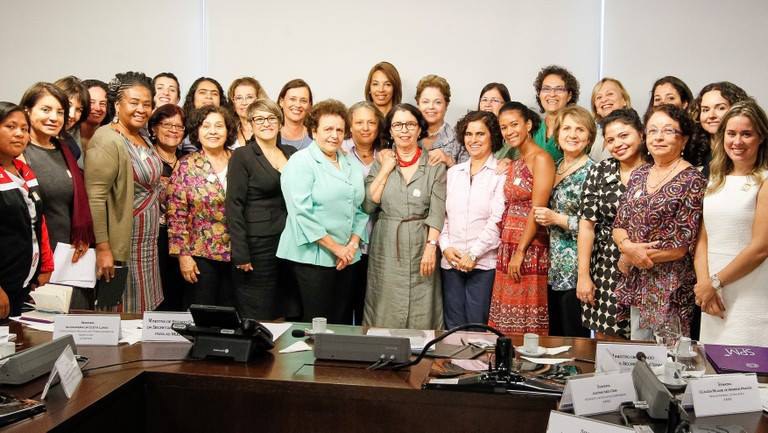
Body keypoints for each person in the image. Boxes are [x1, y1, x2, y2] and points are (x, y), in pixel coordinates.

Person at [613, 104, 706, 339]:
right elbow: (619, 224)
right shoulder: (639, 174)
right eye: (653, 130)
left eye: (668, 131)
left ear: (684, 139)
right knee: (639, 356)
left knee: (669, 359)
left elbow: (682, 245)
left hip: (670, 285)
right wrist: (626, 247)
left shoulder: (693, 179)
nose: (659, 137)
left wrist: (633, 256)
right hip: (637, 280)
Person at [277, 99, 368, 324]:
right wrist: (336, 248)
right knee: (317, 324)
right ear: (314, 131)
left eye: (339, 130)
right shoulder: (301, 162)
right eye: (328, 129)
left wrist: (352, 245)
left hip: (348, 256)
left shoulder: (350, 164)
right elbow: (301, 213)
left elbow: (359, 208)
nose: (334, 135)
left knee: (343, 322)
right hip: (312, 257)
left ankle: (338, 361)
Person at [85, 71, 164, 313]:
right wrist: (104, 248)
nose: (141, 109)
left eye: (147, 104)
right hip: (123, 245)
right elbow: (96, 198)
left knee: (145, 310)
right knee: (122, 314)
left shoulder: (141, 135)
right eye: (134, 102)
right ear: (117, 105)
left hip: (147, 244)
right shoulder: (107, 139)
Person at [363, 103, 446, 329]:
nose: (404, 130)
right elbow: (369, 205)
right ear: (390, 130)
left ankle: (423, 358)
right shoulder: (381, 162)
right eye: (398, 125)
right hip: (386, 241)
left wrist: (431, 246)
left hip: (422, 241)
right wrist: (385, 169)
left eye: (410, 124)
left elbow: (438, 210)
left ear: (420, 129)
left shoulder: (434, 165)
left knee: (423, 301)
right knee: (384, 302)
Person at [694, 100, 768, 346]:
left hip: (752, 292)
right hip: (713, 295)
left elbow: (761, 248)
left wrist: (714, 282)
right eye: (731, 133)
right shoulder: (716, 179)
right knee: (713, 373)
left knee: (749, 372)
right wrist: (705, 284)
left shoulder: (765, 181)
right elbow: (703, 239)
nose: (737, 141)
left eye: (746, 134)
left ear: (761, 138)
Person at [20, 82, 95, 309]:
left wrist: (82, 236)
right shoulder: (18, 152)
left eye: (60, 112)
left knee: (75, 326)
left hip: (69, 257)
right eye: (46, 110)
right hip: (33, 258)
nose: (54, 117)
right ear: (27, 111)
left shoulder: (65, 150)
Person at [577, 108, 646, 339]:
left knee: (645, 342)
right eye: (610, 139)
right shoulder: (599, 171)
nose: (617, 143)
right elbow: (586, 226)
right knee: (607, 339)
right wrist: (584, 275)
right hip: (605, 266)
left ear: (641, 134)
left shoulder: (657, 170)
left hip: (646, 265)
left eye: (624, 135)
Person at [488, 102, 555, 335]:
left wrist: (520, 251)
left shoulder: (542, 159)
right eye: (504, 127)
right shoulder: (514, 162)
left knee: (526, 320)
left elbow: (538, 208)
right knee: (506, 320)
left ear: (528, 125)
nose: (509, 131)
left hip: (529, 248)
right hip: (507, 245)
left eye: (514, 124)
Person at [227, 99, 297, 320]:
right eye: (259, 119)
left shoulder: (291, 153)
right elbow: (234, 205)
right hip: (257, 245)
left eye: (271, 118)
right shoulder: (242, 156)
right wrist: (241, 253)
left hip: (288, 240)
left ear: (279, 121)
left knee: (286, 305)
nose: (266, 123)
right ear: (251, 124)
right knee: (259, 307)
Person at [439, 111, 505, 328]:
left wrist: (474, 253)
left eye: (480, 134)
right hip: (452, 262)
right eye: (468, 134)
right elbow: (443, 215)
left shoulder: (501, 173)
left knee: (478, 327)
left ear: (492, 136)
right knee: (453, 327)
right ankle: (453, 364)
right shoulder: (453, 173)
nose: (473, 140)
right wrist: (446, 247)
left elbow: (497, 220)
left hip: (483, 264)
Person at [533, 106, 594, 337]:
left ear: (589, 137)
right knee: (554, 338)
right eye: (567, 128)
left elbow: (599, 225)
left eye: (580, 129)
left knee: (575, 338)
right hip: (553, 267)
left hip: (578, 269)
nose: (572, 134)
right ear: (558, 134)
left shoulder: (593, 171)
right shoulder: (555, 166)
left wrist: (556, 218)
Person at [167, 105, 235, 309]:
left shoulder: (240, 160)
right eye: (206, 126)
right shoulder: (186, 165)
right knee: (204, 315)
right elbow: (176, 214)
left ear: (228, 130)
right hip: (200, 255)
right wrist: (183, 256)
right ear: (197, 131)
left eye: (219, 126)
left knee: (234, 317)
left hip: (239, 254)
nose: (213, 131)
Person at [0, 102, 54, 317]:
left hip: (23, 282)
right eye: (11, 127)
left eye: (24, 129)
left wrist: (45, 265)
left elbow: (37, 221)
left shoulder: (24, 170)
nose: (19, 134)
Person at [341, 101, 385, 324]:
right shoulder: (340, 152)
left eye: (371, 122)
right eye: (359, 122)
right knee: (348, 300)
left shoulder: (387, 153)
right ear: (350, 126)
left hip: (380, 240)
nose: (365, 127)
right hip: (349, 242)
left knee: (373, 303)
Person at [148, 104, 186, 311]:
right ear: (154, 128)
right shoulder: (146, 160)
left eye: (179, 127)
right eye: (167, 124)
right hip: (154, 237)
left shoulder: (187, 161)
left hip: (182, 240)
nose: (173, 130)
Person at [688, 82, 749, 174]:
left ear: (737, 110)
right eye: (705, 110)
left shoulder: (743, 149)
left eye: (721, 108)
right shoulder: (693, 150)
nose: (711, 115)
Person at [533, 65, 580, 162]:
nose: (552, 94)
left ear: (569, 96)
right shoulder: (534, 128)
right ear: (539, 94)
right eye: (546, 89)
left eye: (559, 89)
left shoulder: (578, 127)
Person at [416, 75, 461, 166]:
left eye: (437, 102)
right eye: (425, 102)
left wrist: (448, 160)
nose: (431, 107)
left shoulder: (458, 139)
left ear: (446, 105)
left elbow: (468, 176)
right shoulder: (407, 135)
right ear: (418, 104)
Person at [589, 78, 632, 161]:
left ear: (624, 100)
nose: (604, 100)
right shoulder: (592, 134)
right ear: (596, 109)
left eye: (610, 94)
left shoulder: (635, 131)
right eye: (599, 97)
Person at [181, 77, 228, 153]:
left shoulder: (229, 126)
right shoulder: (180, 124)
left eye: (214, 93)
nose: (209, 97)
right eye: (202, 92)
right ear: (193, 97)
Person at [53, 76, 90, 161]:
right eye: (68, 105)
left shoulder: (72, 146)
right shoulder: (26, 141)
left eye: (79, 109)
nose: (72, 115)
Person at [227, 77, 268, 149]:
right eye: (239, 98)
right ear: (233, 102)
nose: (244, 102)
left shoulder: (269, 127)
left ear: (258, 100)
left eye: (249, 97)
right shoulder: (229, 131)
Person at [278, 79, 313, 151]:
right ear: (281, 102)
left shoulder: (316, 137)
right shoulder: (270, 134)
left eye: (303, 101)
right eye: (292, 99)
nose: (298, 105)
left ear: (309, 106)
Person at [77, 79, 110, 155]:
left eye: (102, 103)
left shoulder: (113, 137)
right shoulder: (65, 137)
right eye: (91, 102)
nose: (98, 108)